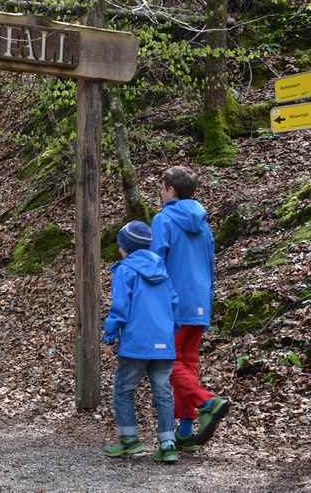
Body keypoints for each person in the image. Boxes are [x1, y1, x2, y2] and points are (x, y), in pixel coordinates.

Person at [150, 166, 229, 450]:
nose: (159, 193)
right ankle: (184, 431)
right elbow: (211, 265)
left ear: (171, 190)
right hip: (199, 303)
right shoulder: (203, 224)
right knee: (187, 364)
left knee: (165, 362)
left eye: (162, 187)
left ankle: (207, 401)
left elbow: (157, 262)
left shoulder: (163, 220)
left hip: (173, 302)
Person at [102, 221, 180, 463]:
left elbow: (120, 307)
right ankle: (168, 444)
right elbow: (174, 303)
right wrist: (169, 331)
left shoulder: (125, 270)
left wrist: (109, 335)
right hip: (163, 342)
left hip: (136, 342)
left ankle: (129, 440)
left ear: (125, 248)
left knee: (124, 389)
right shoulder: (162, 270)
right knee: (163, 393)